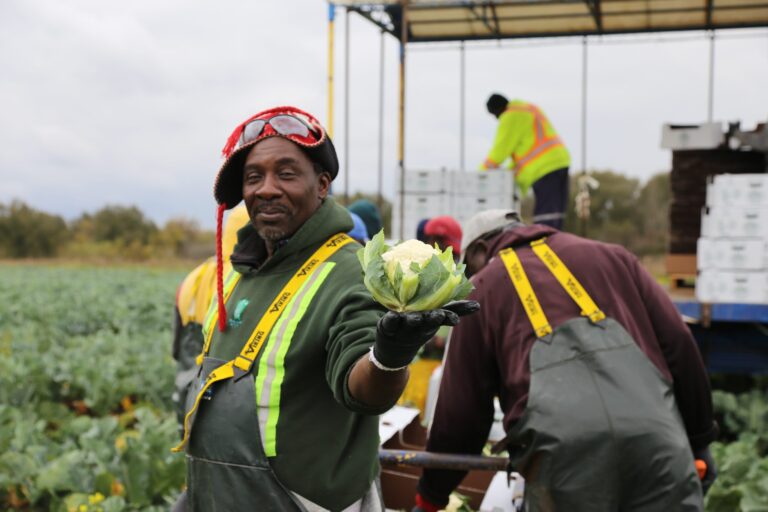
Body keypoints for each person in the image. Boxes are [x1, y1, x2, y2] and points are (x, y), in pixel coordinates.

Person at [172, 106, 478, 512]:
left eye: (286, 172)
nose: (266, 188)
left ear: (321, 185)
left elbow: (363, 390)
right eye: (253, 176)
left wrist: (389, 357)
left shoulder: (352, 271)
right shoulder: (239, 271)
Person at [414, 210, 718, 512]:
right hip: (659, 447)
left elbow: (461, 413)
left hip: (564, 468)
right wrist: (700, 439)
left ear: (480, 250)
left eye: (470, 268)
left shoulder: (482, 290)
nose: (472, 277)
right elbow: (679, 345)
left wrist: (431, 496)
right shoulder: (614, 257)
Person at [171, 205, 249, 436]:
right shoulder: (248, 279)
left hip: (187, 396)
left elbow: (176, 349)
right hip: (230, 413)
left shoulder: (194, 277)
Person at [481, 93, 571, 230]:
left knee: (545, 215)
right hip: (560, 161)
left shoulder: (510, 116)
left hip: (544, 167)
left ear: (497, 110)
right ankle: (556, 246)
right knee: (555, 214)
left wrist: (480, 174)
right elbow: (526, 148)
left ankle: (545, 246)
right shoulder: (528, 108)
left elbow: (499, 152)